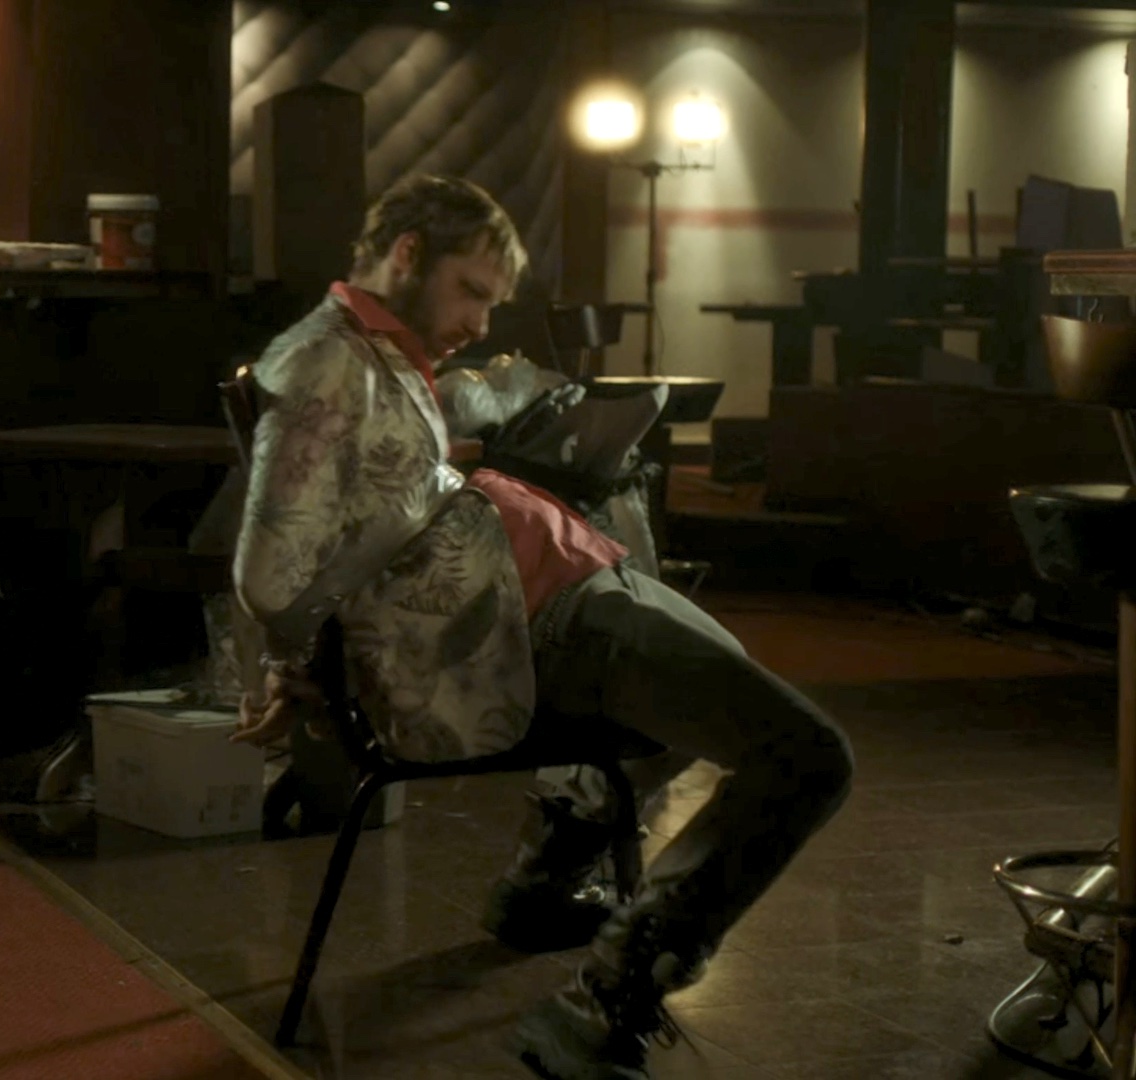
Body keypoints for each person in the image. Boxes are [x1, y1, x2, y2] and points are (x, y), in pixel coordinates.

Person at [228, 174, 854, 1079]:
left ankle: (543, 881)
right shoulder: (329, 359)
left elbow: (353, 518)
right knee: (809, 756)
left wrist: (452, 474)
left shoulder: (374, 349)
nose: (480, 321)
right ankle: (607, 996)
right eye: (471, 292)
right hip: (540, 617)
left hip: (559, 584)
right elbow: (269, 576)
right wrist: (302, 671)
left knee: (721, 674)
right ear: (408, 254)